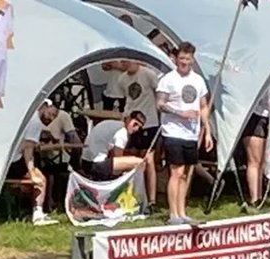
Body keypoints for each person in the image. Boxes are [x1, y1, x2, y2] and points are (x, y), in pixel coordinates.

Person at [156, 42, 212, 225]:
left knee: (186, 173)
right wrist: (180, 113)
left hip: (191, 133)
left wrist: (207, 131)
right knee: (176, 171)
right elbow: (160, 104)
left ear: (192, 60)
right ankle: (173, 214)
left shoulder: (198, 80)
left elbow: (203, 106)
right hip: (173, 131)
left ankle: (182, 211)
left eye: (187, 59)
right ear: (176, 59)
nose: (184, 62)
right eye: (181, 58)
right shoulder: (168, 79)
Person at [120, 60, 161, 205]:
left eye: (128, 61)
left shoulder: (148, 74)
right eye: (123, 62)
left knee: (148, 159)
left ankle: (152, 199)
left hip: (149, 122)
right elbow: (128, 100)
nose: (126, 64)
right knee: (132, 157)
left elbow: (158, 94)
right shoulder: (122, 79)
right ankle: (134, 194)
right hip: (131, 122)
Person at [80, 111, 150, 183]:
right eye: (135, 124)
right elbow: (118, 158)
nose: (136, 129)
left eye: (139, 127)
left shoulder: (115, 124)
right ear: (128, 119)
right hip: (96, 165)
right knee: (140, 162)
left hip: (86, 161)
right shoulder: (122, 132)